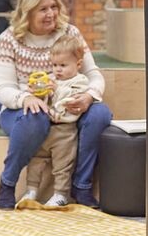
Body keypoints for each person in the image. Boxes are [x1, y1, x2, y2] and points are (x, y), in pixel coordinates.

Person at [0, 0, 112, 209]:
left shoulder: (70, 33)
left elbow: (94, 74)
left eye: (53, 7)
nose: (51, 14)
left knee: (100, 114)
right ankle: (7, 184)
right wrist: (25, 98)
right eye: (43, 9)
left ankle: (82, 186)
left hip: (67, 106)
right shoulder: (10, 38)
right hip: (22, 108)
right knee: (35, 118)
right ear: (27, 12)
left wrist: (89, 97)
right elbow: (2, 88)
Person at [19, 34, 93, 207]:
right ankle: (31, 190)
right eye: (54, 65)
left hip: (65, 132)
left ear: (78, 64)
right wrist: (37, 92)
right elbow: (44, 100)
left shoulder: (80, 81)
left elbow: (68, 100)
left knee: (63, 165)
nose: (57, 70)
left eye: (63, 65)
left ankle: (61, 194)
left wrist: (56, 89)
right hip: (46, 128)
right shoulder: (52, 79)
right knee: (36, 159)